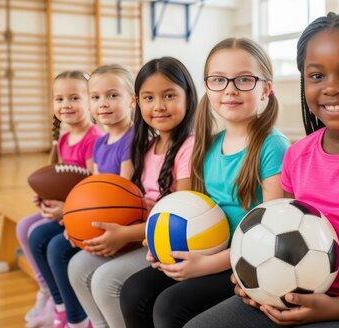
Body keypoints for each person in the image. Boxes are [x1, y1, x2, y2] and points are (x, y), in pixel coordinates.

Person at [184, 11, 339, 328]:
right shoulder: (298, 155)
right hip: (302, 293)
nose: (332, 88)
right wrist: (259, 283)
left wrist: (334, 309)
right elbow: (280, 234)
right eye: (317, 76)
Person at [120, 38, 289, 328]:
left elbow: (269, 233)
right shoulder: (208, 145)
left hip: (247, 261)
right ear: (208, 87)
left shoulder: (273, 147)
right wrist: (162, 241)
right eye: (219, 80)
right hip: (209, 250)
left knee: (170, 307)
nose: (230, 89)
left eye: (244, 79)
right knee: (134, 292)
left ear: (266, 89)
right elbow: (191, 211)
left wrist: (207, 264)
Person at [68, 56, 198, 328]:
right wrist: (79, 224)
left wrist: (126, 234)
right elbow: (122, 203)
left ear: (189, 96)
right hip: (141, 232)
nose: (159, 106)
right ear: (138, 102)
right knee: (77, 267)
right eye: (149, 98)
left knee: (106, 280)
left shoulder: (189, 147)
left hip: (167, 239)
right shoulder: (147, 146)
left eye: (169, 95)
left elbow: (178, 218)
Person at [28, 64, 135, 328]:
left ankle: (76, 318)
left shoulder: (130, 140)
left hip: (116, 221)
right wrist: (53, 201)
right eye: (97, 97)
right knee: (38, 236)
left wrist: (72, 217)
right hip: (96, 213)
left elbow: (119, 196)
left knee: (56, 248)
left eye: (112, 95)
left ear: (131, 100)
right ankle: (64, 310)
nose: (104, 104)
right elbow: (91, 187)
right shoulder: (101, 143)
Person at [16, 70, 100, 327]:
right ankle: (49, 295)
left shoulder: (93, 139)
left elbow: (90, 188)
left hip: (81, 211)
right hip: (68, 207)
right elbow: (61, 183)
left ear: (90, 101)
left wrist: (65, 210)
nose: (66, 105)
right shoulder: (63, 139)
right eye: (60, 99)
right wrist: (46, 198)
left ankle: (64, 306)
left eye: (74, 98)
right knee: (23, 226)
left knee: (40, 235)